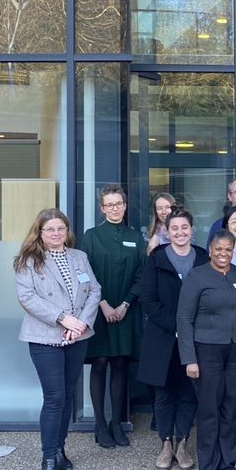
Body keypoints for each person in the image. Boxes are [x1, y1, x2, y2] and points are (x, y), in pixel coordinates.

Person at [14, 208, 101, 470]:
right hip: (45, 337)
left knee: (67, 398)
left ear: (67, 231)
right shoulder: (29, 260)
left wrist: (81, 324)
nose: (56, 233)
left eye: (60, 229)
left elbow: (95, 290)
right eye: (50, 229)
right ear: (39, 232)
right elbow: (27, 297)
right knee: (54, 398)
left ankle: (61, 448)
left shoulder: (79, 257)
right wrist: (63, 319)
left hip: (77, 337)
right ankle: (48, 458)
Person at [177, 230, 236, 470]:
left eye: (228, 249)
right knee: (210, 408)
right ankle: (208, 467)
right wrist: (189, 359)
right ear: (210, 249)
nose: (223, 254)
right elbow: (184, 318)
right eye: (218, 249)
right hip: (207, 350)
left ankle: (228, 464)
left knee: (232, 407)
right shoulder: (197, 276)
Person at [136, 206, 208, 470]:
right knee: (164, 394)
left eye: (184, 228)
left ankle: (183, 444)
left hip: (196, 338)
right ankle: (166, 443)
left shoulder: (202, 257)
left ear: (192, 230)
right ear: (167, 231)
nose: (180, 232)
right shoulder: (156, 258)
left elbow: (210, 296)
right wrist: (177, 326)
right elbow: (149, 300)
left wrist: (190, 328)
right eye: (174, 228)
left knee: (189, 393)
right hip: (163, 337)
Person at [78, 185, 145, 449]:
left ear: (125, 206)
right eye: (110, 204)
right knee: (101, 362)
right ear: (102, 208)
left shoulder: (135, 238)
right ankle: (100, 424)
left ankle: (117, 423)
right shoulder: (91, 237)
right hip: (97, 310)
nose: (115, 208)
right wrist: (103, 305)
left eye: (119, 203)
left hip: (126, 310)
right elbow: (85, 273)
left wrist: (126, 304)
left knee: (120, 364)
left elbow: (142, 273)